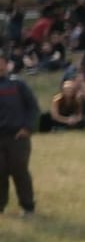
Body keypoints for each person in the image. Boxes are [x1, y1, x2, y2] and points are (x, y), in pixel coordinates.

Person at [0, 51, 37, 217]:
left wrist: (27, 128)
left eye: (1, 61)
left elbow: (33, 108)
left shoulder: (17, 84)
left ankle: (27, 206)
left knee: (19, 172)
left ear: (7, 64)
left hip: (17, 137)